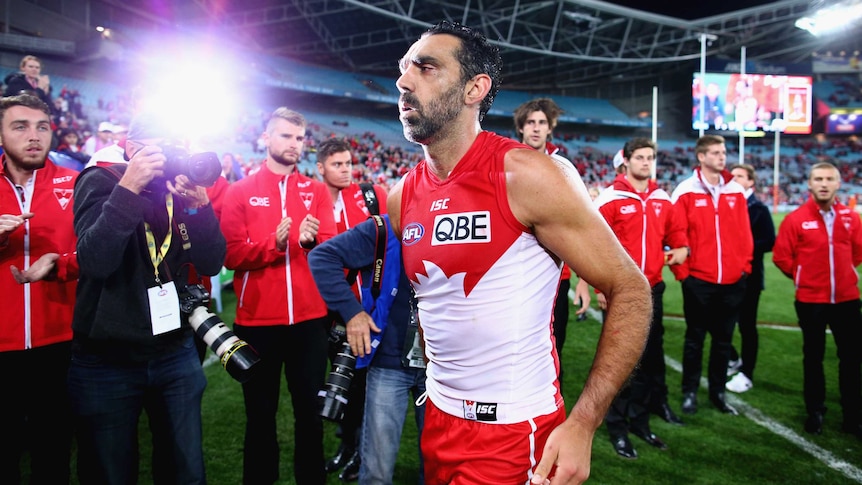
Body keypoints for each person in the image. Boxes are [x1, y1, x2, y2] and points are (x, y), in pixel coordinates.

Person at [388, 21, 651, 485]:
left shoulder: (526, 175)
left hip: (514, 432)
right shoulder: (402, 195)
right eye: (404, 69)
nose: (404, 81)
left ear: (475, 88)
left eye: (425, 68)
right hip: (437, 418)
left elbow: (630, 289)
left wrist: (585, 424)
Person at [69, 112, 226, 483]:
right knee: (111, 471)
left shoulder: (174, 191)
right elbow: (95, 260)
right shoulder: (100, 181)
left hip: (173, 351)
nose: (169, 160)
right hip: (108, 359)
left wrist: (200, 208)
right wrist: (130, 187)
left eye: (175, 150)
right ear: (131, 149)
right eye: (160, 151)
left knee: (185, 469)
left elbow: (212, 261)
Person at [220, 107, 337, 485]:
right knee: (259, 416)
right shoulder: (240, 192)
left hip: (308, 322)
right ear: (266, 138)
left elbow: (332, 248)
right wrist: (274, 244)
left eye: (300, 138)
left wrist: (311, 241)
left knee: (310, 415)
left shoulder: (317, 191)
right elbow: (230, 254)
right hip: (256, 324)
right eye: (286, 136)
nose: (294, 144)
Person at [309, 215, 427, 485]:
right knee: (376, 468)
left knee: (439, 465)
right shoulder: (384, 227)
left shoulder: (456, 224)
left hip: (443, 363)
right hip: (388, 361)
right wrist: (352, 313)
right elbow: (322, 256)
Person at [592, 138, 689, 459]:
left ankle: (640, 421)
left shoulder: (662, 199)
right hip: (620, 292)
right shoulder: (611, 198)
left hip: (653, 290)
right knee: (621, 364)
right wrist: (600, 288)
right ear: (627, 160)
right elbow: (596, 247)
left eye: (650, 158)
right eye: (641, 157)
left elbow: (676, 233)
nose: (646, 163)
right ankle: (617, 428)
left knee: (648, 361)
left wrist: (681, 248)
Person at [0, 94, 78, 484]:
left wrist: (62, 265)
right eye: (20, 126)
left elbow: (98, 251)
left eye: (42, 127)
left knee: (54, 455)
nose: (34, 136)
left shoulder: (76, 183)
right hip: (0, 347)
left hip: (61, 343)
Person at [315, 136, 389, 481]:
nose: (345, 170)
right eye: (337, 165)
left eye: (348, 164)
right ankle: (346, 446)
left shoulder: (372, 196)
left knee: (363, 385)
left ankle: (361, 451)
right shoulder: (312, 202)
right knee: (339, 383)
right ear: (321, 168)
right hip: (329, 310)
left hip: (368, 309)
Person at [772, 162, 862, 439]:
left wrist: (844, 275)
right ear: (809, 184)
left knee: (851, 359)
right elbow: (782, 257)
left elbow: (858, 252)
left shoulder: (851, 217)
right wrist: (803, 277)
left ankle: (853, 417)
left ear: (838, 184)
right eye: (818, 179)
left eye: (829, 179)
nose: (824, 184)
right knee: (814, 358)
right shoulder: (796, 219)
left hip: (846, 299)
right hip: (811, 300)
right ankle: (816, 413)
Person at [670, 134, 752, 416]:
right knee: (695, 339)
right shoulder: (685, 190)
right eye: (715, 152)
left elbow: (745, 235)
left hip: (732, 282)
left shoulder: (736, 191)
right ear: (701, 157)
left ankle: (718, 393)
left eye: (723, 152)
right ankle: (689, 392)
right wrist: (684, 275)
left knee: (723, 342)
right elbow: (675, 235)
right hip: (699, 281)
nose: (722, 156)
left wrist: (745, 269)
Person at [512, 97, 591, 389]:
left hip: (558, 275)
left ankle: (549, 402)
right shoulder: (506, 162)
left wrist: (584, 277)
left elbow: (581, 224)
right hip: (515, 272)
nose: (536, 128)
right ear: (521, 128)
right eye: (530, 122)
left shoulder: (564, 168)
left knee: (556, 340)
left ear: (550, 128)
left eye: (541, 123)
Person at [725, 163, 775, 393]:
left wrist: (744, 247)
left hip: (751, 277)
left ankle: (747, 374)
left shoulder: (759, 208)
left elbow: (770, 241)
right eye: (732, 175)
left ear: (750, 182)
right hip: (728, 274)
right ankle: (734, 359)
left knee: (747, 325)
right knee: (721, 321)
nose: (733, 179)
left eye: (739, 176)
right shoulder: (728, 203)